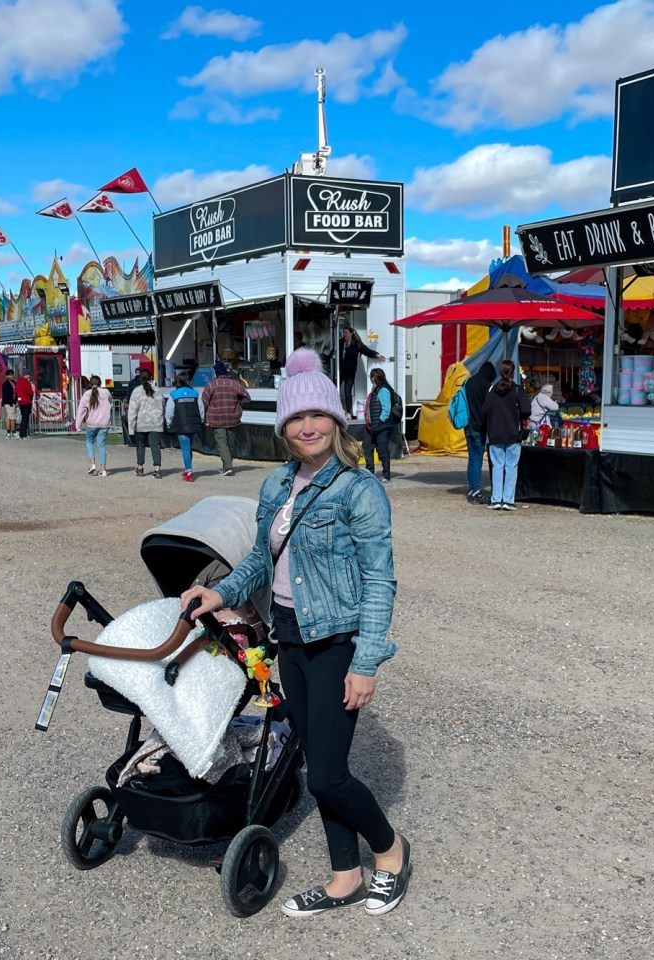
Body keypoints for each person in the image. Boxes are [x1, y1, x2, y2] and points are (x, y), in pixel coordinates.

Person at [180, 347, 409, 919]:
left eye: (318, 417)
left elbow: (380, 580)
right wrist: (222, 592)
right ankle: (344, 876)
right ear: (285, 427)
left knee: (330, 774)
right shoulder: (278, 485)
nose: (308, 427)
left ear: (336, 420)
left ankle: (390, 851)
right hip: (291, 639)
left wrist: (366, 661)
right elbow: (262, 558)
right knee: (315, 771)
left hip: (336, 642)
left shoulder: (359, 490)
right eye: (297, 419)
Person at [481, 360, 530, 511]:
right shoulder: (517, 390)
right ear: (513, 372)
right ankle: (508, 500)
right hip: (513, 434)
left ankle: (496, 499)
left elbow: (484, 411)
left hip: (495, 433)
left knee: (497, 467)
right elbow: (527, 410)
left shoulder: (492, 390)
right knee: (511, 467)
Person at [201, 361, 250, 477]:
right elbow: (247, 398)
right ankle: (228, 465)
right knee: (230, 443)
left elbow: (204, 402)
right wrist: (238, 405)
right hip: (233, 418)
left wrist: (206, 415)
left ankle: (228, 467)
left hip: (216, 419)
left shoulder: (211, 385)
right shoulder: (235, 384)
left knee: (221, 443)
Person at [461, 362, 496, 504]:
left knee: (471, 458)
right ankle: (475, 491)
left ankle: (471, 488)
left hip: (467, 424)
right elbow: (489, 407)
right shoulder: (486, 386)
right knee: (477, 459)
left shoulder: (468, 381)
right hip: (479, 426)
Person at [123, 366, 164, 478]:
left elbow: (132, 410)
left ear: (140, 378)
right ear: (151, 378)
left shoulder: (137, 392)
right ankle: (157, 469)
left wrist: (131, 427)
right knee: (155, 446)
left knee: (140, 446)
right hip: (156, 423)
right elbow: (163, 406)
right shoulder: (157, 390)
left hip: (141, 424)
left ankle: (140, 468)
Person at [165, 372, 204, 482]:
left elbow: (169, 412)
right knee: (189, 448)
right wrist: (201, 420)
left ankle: (189, 471)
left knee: (185, 449)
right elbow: (201, 409)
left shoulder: (173, 395)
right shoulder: (196, 394)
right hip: (194, 424)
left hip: (181, 425)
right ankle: (188, 468)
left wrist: (169, 423)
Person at [337, 328, 385, 416]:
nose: (344, 334)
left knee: (347, 391)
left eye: (346, 332)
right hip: (340, 370)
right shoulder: (340, 342)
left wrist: (377, 355)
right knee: (335, 388)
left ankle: (348, 412)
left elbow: (366, 351)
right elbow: (334, 351)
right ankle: (336, 409)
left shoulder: (356, 344)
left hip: (350, 371)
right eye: (343, 333)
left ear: (351, 333)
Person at [362, 367, 396, 484]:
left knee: (382, 450)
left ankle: (386, 474)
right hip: (371, 426)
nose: (371, 379)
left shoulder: (383, 391)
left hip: (381, 426)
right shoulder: (374, 391)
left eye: (372, 376)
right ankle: (369, 472)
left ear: (376, 377)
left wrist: (380, 421)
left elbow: (386, 409)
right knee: (367, 447)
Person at [76, 375, 112, 477]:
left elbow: (81, 411)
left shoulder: (87, 394)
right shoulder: (106, 392)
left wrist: (78, 426)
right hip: (104, 423)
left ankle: (92, 463)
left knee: (89, 441)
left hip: (92, 423)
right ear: (100, 383)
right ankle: (103, 469)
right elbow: (110, 402)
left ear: (90, 384)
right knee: (101, 445)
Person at [14, 369, 34, 439]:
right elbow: (30, 392)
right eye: (28, 375)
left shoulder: (18, 382)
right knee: (25, 419)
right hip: (27, 401)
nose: (29, 376)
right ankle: (24, 434)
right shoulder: (26, 382)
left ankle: (21, 434)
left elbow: (16, 392)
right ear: (25, 375)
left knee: (23, 418)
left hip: (21, 402)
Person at [0, 369, 18, 438]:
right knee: (12, 417)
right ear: (7, 376)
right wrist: (12, 402)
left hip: (13, 401)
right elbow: (6, 395)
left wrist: (16, 400)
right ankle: (12, 431)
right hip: (8, 402)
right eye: (10, 375)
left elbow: (16, 393)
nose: (11, 376)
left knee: (10, 417)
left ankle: (9, 432)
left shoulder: (14, 383)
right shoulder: (5, 384)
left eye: (12, 374)